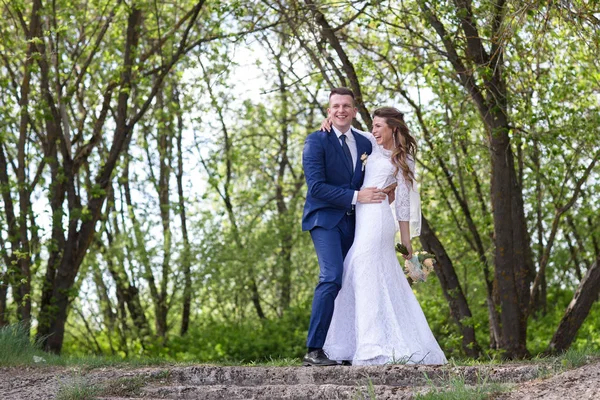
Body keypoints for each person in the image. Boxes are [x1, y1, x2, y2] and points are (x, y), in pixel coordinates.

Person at [322, 107, 447, 366]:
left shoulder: (403, 159)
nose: (374, 130)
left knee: (363, 270)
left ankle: (373, 345)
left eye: (379, 126)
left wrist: (407, 245)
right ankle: (353, 343)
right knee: (358, 272)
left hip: (378, 219)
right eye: (373, 126)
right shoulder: (373, 146)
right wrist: (331, 121)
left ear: (393, 129)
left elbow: (402, 204)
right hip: (362, 217)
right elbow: (351, 130)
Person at [301, 88, 390, 366]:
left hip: (356, 223)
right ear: (328, 111)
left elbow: (391, 141)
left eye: (346, 106)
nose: (341, 110)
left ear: (354, 110)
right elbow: (316, 187)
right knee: (331, 276)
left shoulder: (365, 143)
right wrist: (356, 196)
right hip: (324, 220)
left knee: (355, 280)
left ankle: (349, 348)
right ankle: (314, 349)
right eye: (335, 106)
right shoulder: (316, 141)